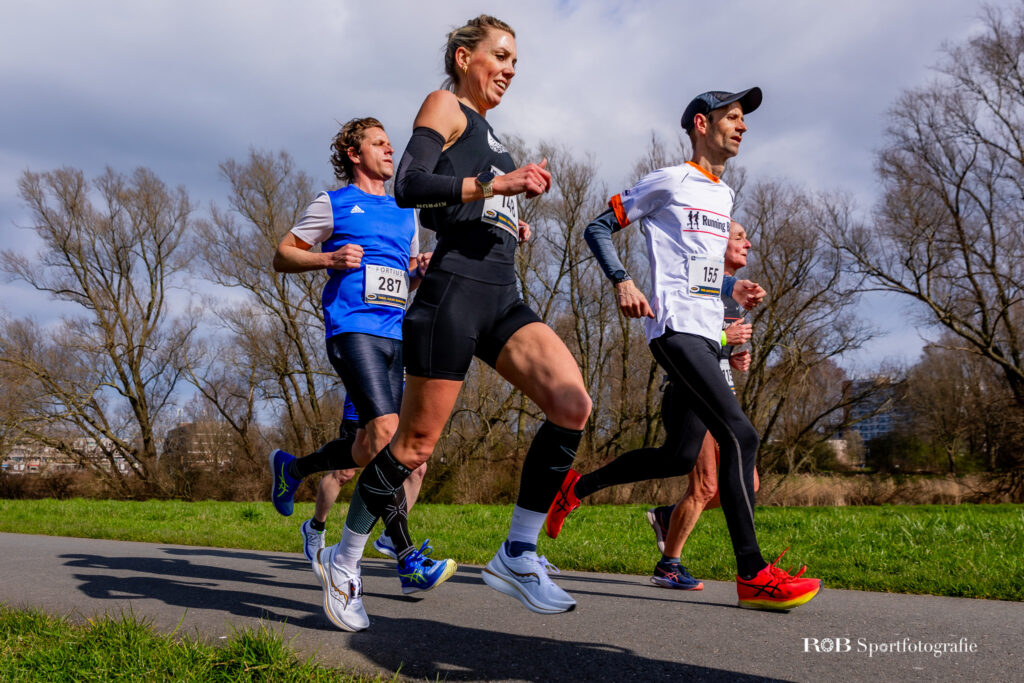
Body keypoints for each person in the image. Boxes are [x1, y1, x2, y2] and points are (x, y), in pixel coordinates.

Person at [313, 14, 592, 631]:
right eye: (501, 55)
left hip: (502, 293)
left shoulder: (490, 133)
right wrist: (496, 184)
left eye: (516, 61)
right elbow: (411, 186)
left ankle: (517, 554)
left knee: (572, 403)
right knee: (412, 448)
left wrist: (505, 211)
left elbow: (449, 208)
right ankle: (346, 560)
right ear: (465, 57)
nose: (510, 69)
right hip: (452, 295)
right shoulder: (445, 104)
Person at [548, 89, 822, 611]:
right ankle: (753, 573)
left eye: (745, 120)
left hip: (705, 333)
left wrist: (729, 294)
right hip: (673, 329)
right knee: (740, 434)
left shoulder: (725, 196)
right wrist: (622, 281)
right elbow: (598, 227)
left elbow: (695, 268)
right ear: (702, 123)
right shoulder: (669, 180)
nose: (742, 127)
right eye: (733, 118)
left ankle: (574, 488)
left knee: (677, 456)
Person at [269, 117, 455, 631]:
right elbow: (282, 254)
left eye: (390, 143)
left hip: (395, 334)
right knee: (389, 438)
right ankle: (403, 556)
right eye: (379, 143)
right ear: (354, 153)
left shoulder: (405, 209)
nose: (390, 150)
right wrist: (328, 256)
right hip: (351, 329)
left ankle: (292, 468)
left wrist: (414, 276)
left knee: (366, 445)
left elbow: (398, 280)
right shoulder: (332, 203)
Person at [643, 220, 761, 589]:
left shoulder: (733, 293)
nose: (749, 244)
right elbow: (686, 340)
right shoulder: (703, 282)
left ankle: (668, 517)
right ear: (718, 242)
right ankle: (669, 565)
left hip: (722, 395)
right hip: (691, 396)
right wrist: (726, 337)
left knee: (750, 484)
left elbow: (712, 351)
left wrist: (732, 357)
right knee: (706, 486)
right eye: (740, 238)